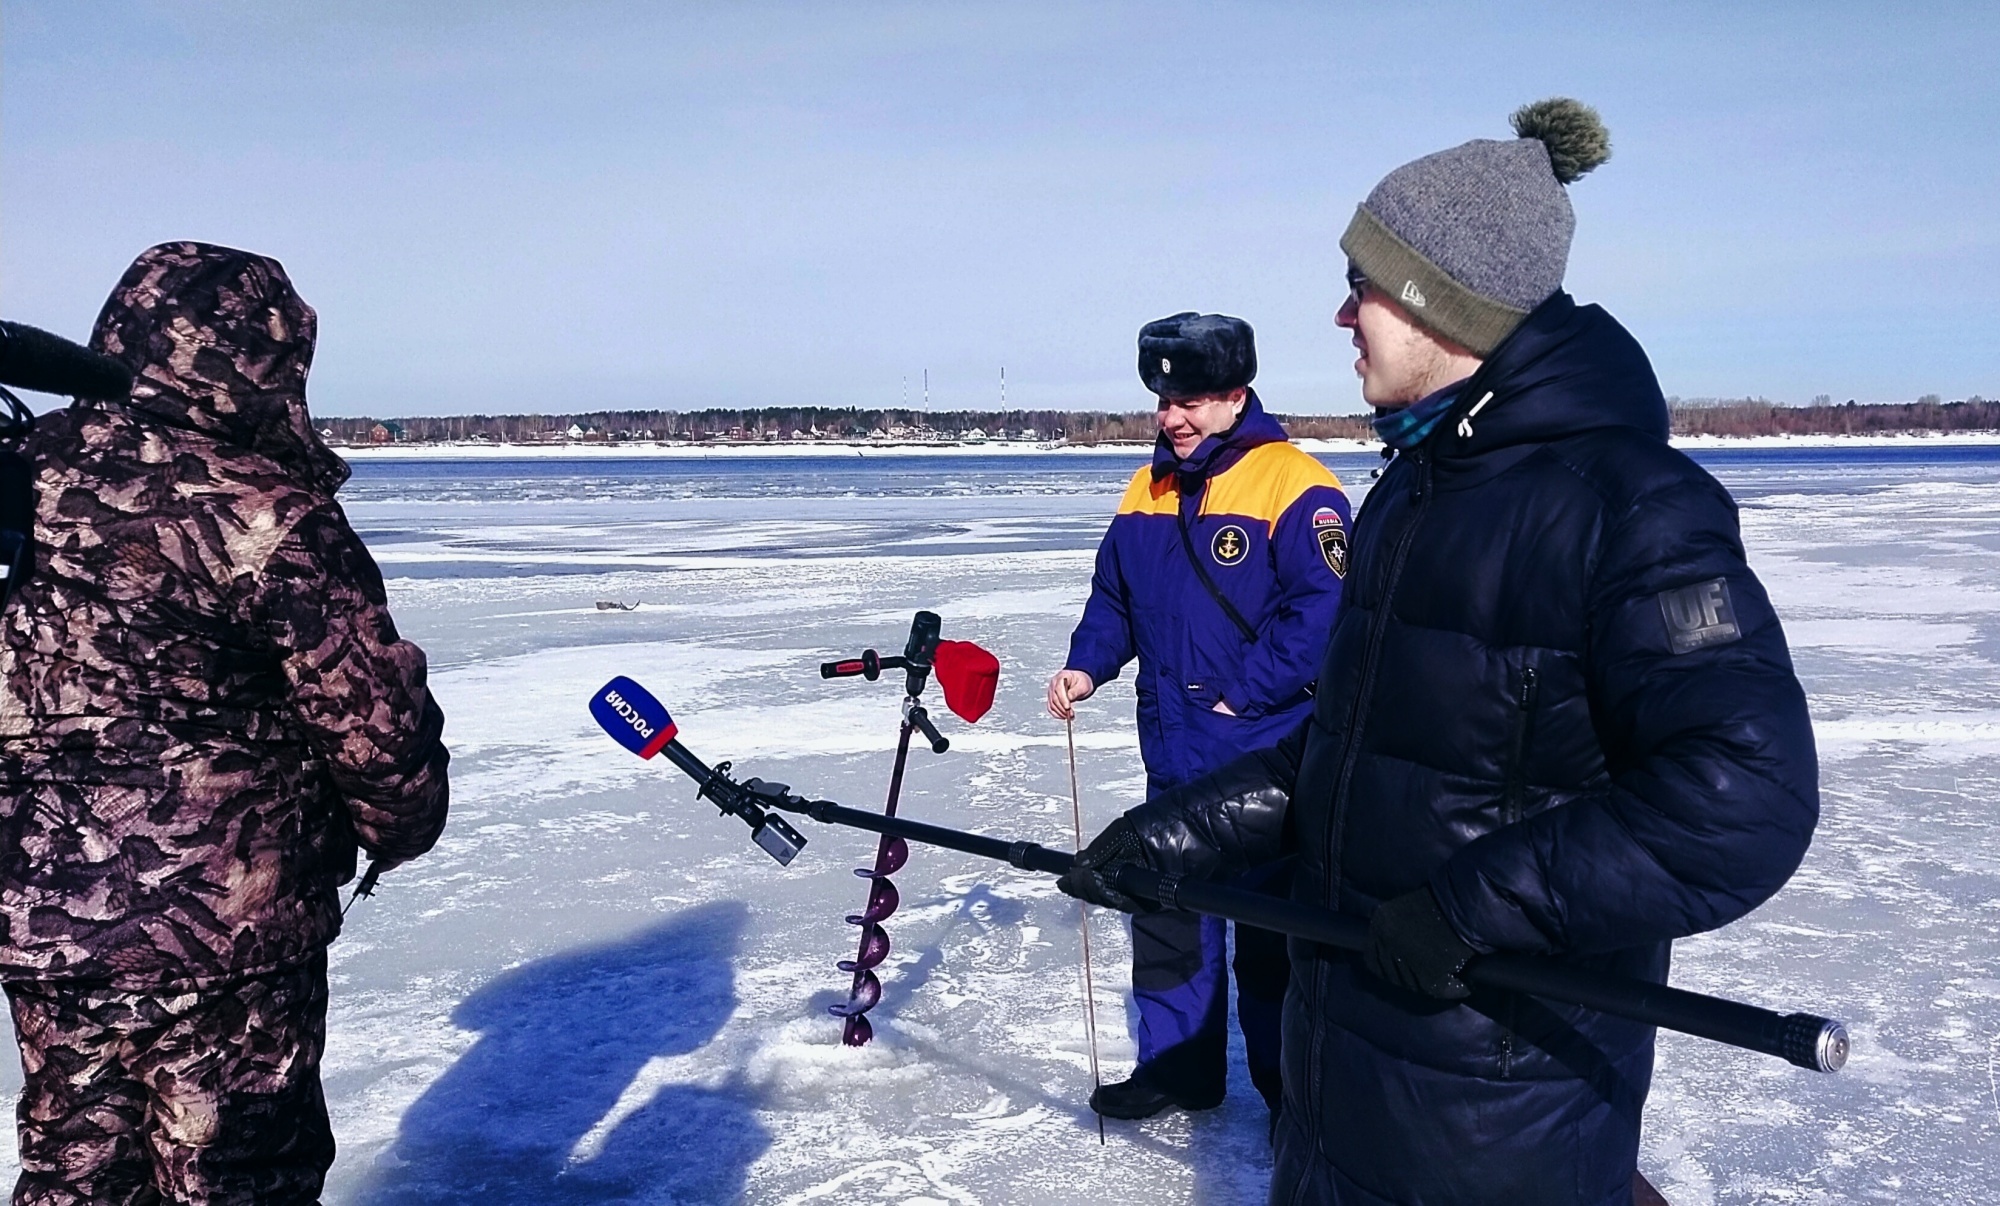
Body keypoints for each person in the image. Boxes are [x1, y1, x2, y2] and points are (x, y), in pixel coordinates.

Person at [1060, 100, 1819, 1205]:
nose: (1339, 313)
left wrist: (1469, 908)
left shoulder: (1627, 509)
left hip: (1488, 1113)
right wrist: (1174, 835)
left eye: (1360, 285)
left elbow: (1738, 800)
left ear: (1437, 299)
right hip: (1342, 1081)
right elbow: (1357, 750)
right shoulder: (1415, 490)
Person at [0, 242, 450, 1205]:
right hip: (223, 939)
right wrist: (402, 828)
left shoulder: (16, 478)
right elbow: (375, 725)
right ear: (262, 361)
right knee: (235, 1176)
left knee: (76, 1174)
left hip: (40, 924)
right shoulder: (257, 509)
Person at [1047, 312, 1350, 1122]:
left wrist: (1242, 690)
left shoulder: (1296, 482)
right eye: (1163, 399)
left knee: (1272, 938)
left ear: (1236, 396)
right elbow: (1115, 599)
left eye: (1193, 400)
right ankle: (1180, 1071)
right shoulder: (1145, 488)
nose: (1173, 417)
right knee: (1172, 917)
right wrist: (1088, 664)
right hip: (1173, 751)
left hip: (1265, 757)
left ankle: (1294, 1098)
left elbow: (1326, 613)